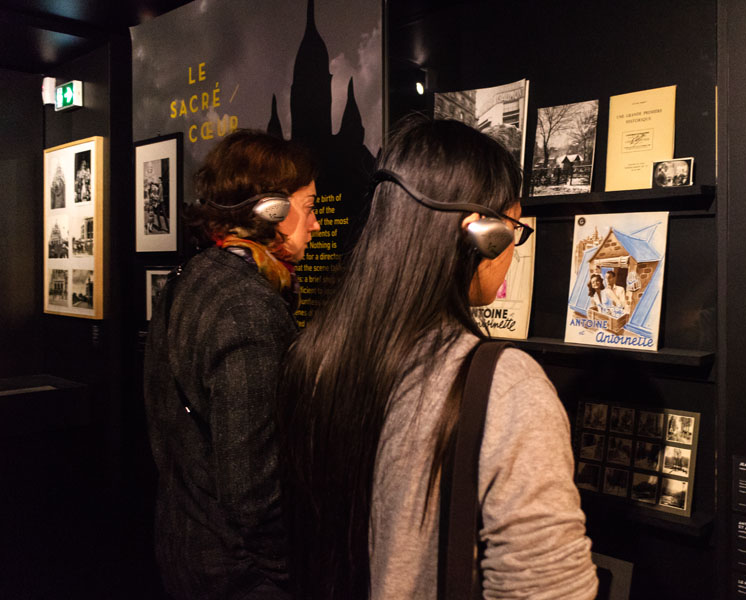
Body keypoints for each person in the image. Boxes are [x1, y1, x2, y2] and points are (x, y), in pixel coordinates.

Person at [277, 116, 597, 599]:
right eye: (513, 227)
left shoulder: (314, 356)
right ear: (481, 234)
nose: (513, 247)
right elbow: (548, 589)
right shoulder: (503, 385)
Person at [143, 129, 319, 600]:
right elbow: (253, 492)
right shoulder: (248, 306)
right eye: (310, 206)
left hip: (183, 545)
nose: (316, 225)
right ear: (272, 212)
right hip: (240, 575)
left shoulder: (187, 280)